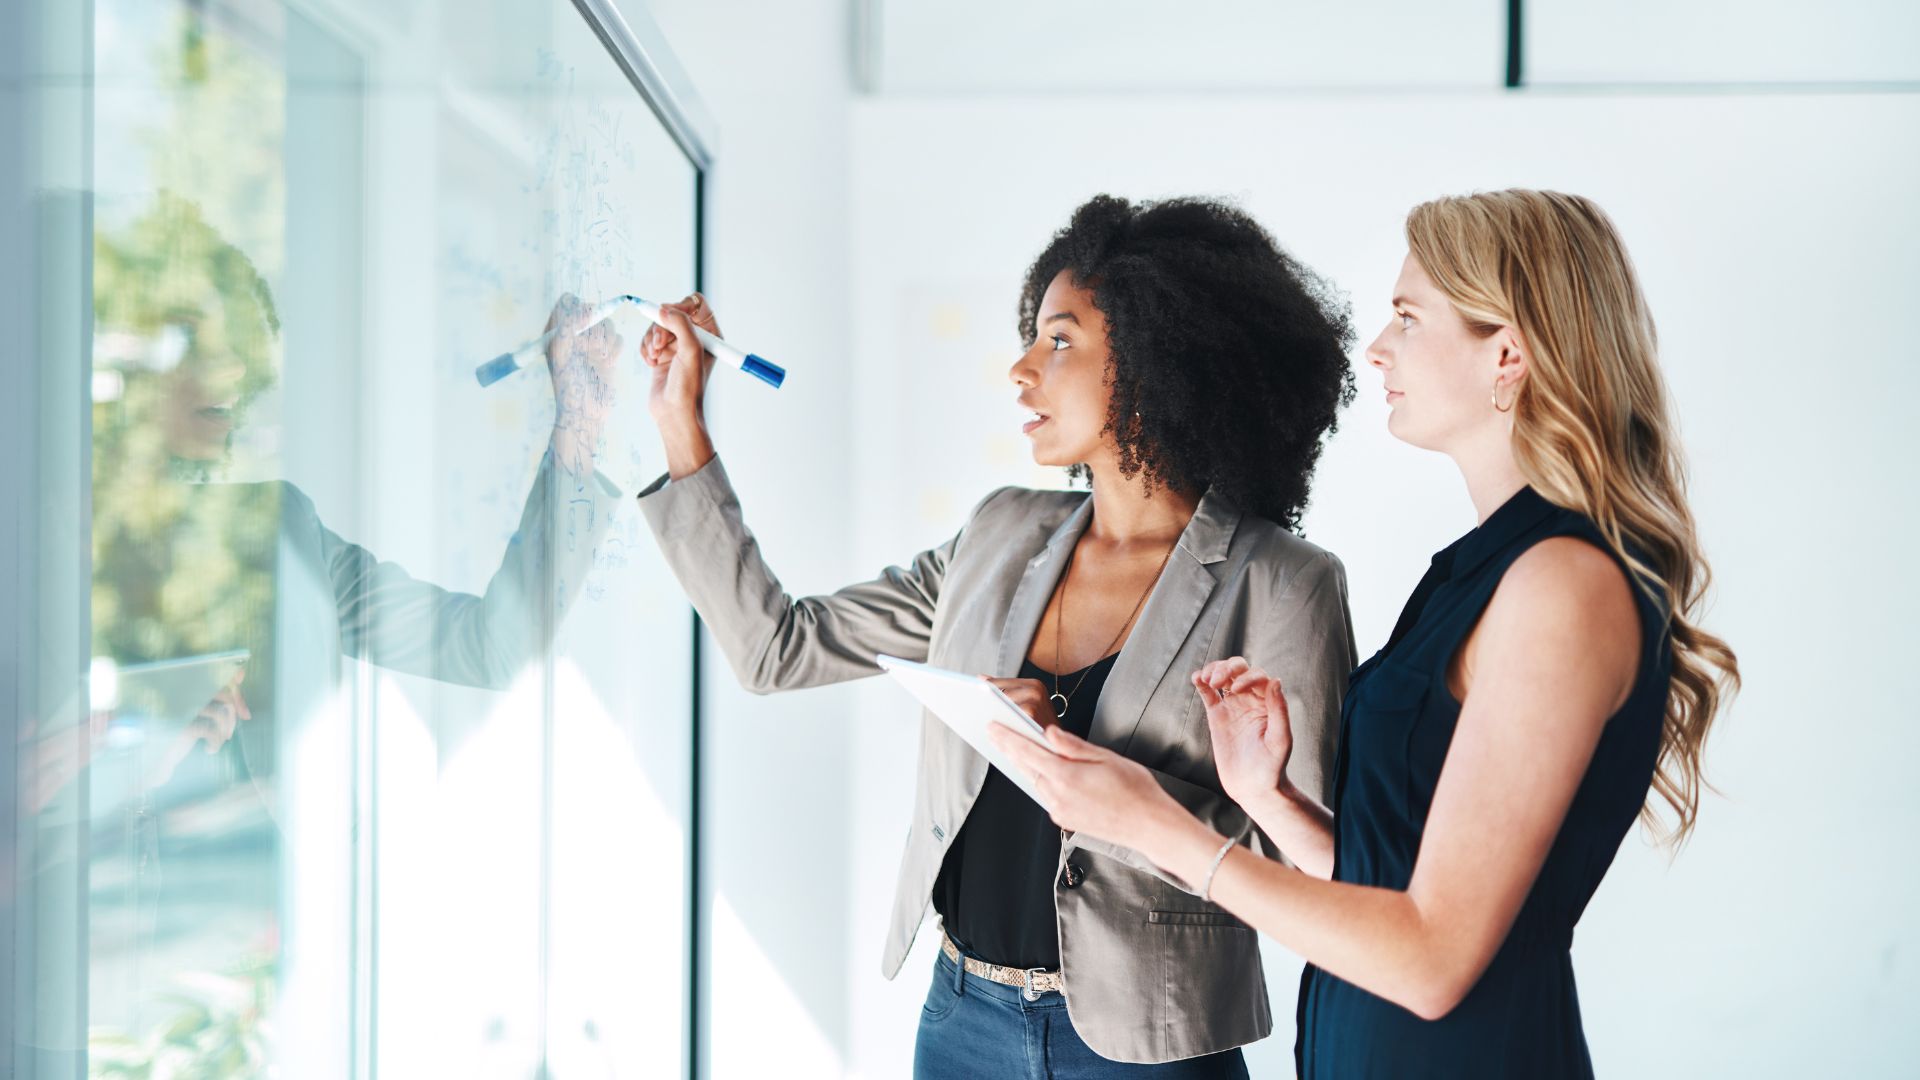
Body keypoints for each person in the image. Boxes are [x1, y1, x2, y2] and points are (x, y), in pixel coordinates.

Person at [992, 189, 1741, 1078]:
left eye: (1407, 318)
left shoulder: (1562, 588)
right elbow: (1400, 887)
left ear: (1506, 355)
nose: (1376, 348)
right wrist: (1271, 800)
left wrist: (1159, 829)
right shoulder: (1481, 571)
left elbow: (1430, 962)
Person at [637, 194, 1358, 1075]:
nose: (1022, 370)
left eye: (1060, 341)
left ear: (1163, 358)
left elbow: (1318, 873)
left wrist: (1103, 779)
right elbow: (775, 648)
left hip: (1149, 1047)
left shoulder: (1283, 583)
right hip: (960, 1023)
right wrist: (682, 423)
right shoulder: (998, 534)